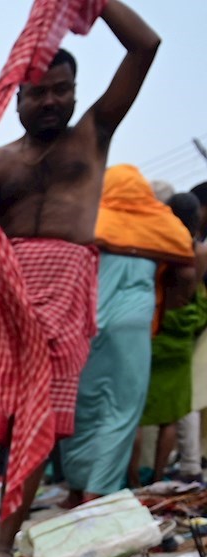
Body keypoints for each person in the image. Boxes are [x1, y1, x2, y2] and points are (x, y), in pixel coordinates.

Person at [0, 1, 160, 557]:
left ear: (75, 93)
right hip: (2, 297)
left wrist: (97, 4)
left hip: (66, 294)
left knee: (39, 425)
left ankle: (2, 547)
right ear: (17, 99)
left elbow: (146, 47)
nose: (49, 101)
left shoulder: (94, 134)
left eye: (60, 91)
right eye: (37, 93)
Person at [55, 166, 193, 499]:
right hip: (133, 328)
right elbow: (187, 273)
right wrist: (167, 301)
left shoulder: (90, 220)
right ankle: (97, 492)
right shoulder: (161, 225)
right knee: (121, 412)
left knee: (81, 408)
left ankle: (76, 489)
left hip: (85, 325)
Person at [142, 192, 206, 482]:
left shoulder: (162, 250)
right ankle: (159, 476)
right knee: (175, 411)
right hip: (184, 332)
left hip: (158, 330)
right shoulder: (199, 252)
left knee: (139, 413)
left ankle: (132, 478)